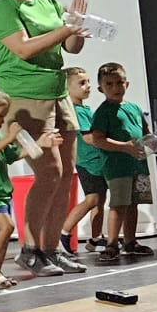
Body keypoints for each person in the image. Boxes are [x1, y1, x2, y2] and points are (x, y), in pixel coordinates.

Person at [0, 0, 90, 277]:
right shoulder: (2, 8)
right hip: (23, 100)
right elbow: (24, 49)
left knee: (65, 174)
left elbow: (71, 47)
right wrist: (63, 29)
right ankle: (30, 250)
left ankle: (51, 248)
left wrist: (75, 26)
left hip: (58, 95)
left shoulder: (47, 4)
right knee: (48, 172)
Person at [0, 84, 55, 289]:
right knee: (6, 227)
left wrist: (39, 143)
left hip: (0, 191)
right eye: (0, 115)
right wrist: (9, 137)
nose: (2, 122)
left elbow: (12, 156)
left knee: (4, 232)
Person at [85, 63, 155, 264]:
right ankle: (112, 243)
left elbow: (145, 131)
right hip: (117, 168)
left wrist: (152, 141)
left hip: (138, 165)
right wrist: (125, 146)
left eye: (119, 83)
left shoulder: (133, 108)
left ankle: (130, 241)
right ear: (101, 88)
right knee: (118, 204)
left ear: (127, 83)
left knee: (133, 202)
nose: (116, 88)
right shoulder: (103, 112)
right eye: (109, 84)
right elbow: (98, 139)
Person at [59, 67, 108, 254]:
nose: (88, 86)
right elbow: (88, 138)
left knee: (100, 200)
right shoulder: (76, 111)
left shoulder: (84, 109)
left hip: (97, 161)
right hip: (88, 162)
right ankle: (63, 232)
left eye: (88, 82)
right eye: (82, 83)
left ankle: (96, 238)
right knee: (92, 199)